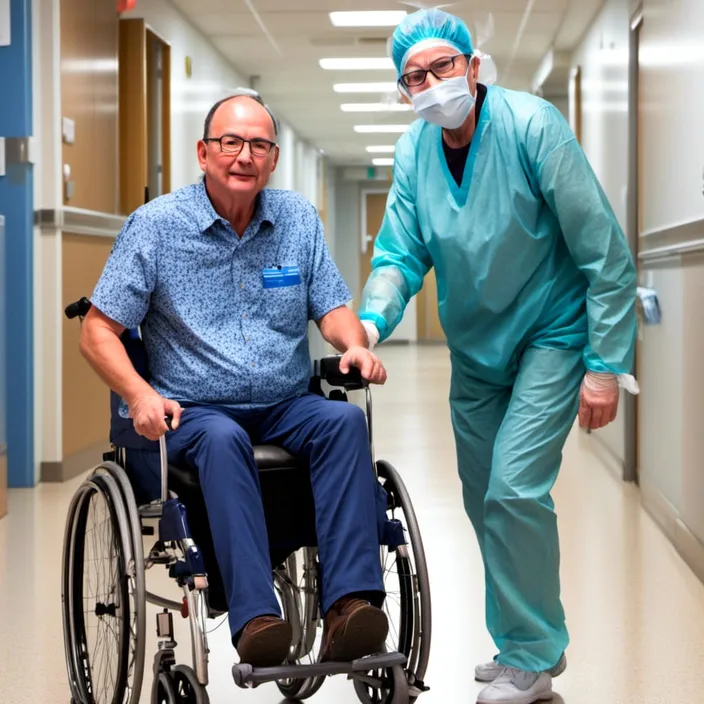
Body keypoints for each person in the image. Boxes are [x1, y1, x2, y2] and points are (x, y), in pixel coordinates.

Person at [358, 9, 638, 704]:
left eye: (442, 68)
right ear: (403, 92)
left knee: (515, 488)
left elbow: (603, 252)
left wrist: (604, 365)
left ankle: (537, 654)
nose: (430, 85)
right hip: (476, 349)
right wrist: (368, 322)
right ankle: (518, 644)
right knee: (485, 501)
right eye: (413, 77)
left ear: (473, 68)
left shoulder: (532, 126)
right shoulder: (415, 153)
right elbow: (400, 253)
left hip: (552, 333)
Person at [80, 89, 389, 668]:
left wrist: (354, 344)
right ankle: (255, 618)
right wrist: (139, 394)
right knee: (224, 440)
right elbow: (98, 332)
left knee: (344, 420)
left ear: (273, 159)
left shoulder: (296, 219)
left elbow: (332, 305)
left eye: (259, 145)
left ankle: (349, 606)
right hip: (195, 411)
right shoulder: (156, 227)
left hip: (285, 401)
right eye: (230, 142)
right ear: (203, 153)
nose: (244, 155)